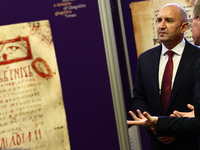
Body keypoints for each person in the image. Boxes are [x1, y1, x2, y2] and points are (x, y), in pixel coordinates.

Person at [131, 2, 200, 150]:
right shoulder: (145, 59)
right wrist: (154, 127)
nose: (161, 26)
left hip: (191, 143)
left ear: (184, 27)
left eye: (168, 20)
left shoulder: (198, 57)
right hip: (158, 143)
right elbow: (138, 97)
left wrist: (176, 130)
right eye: (159, 20)